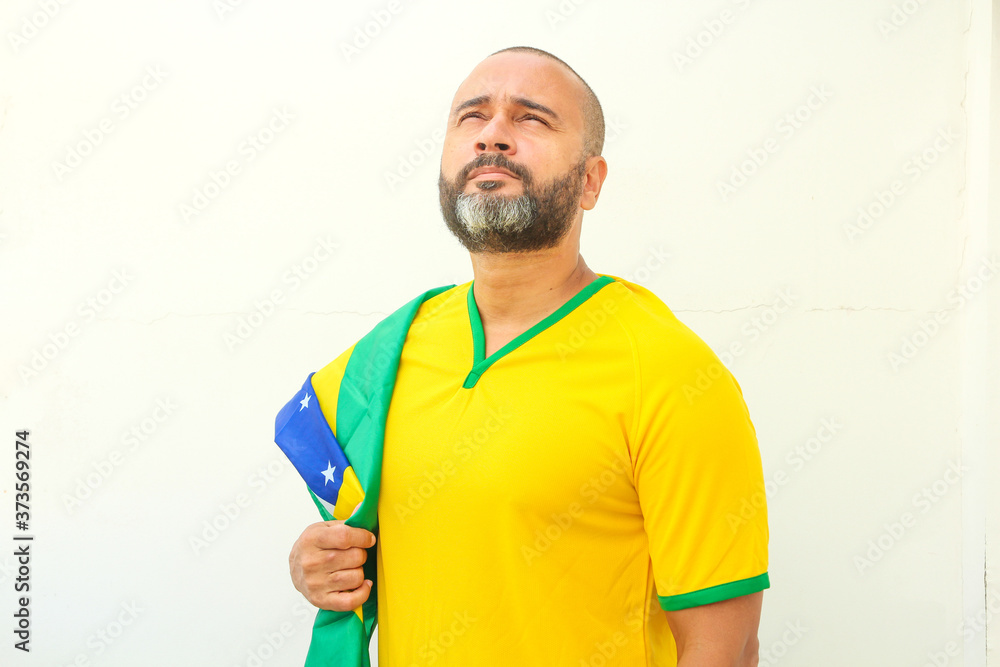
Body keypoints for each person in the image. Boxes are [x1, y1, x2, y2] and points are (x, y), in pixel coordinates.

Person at [284, 46, 769, 666]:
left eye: (531, 118)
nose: (493, 137)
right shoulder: (392, 352)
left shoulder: (670, 372)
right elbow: (366, 527)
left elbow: (722, 648)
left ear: (591, 181)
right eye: (472, 117)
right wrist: (320, 566)